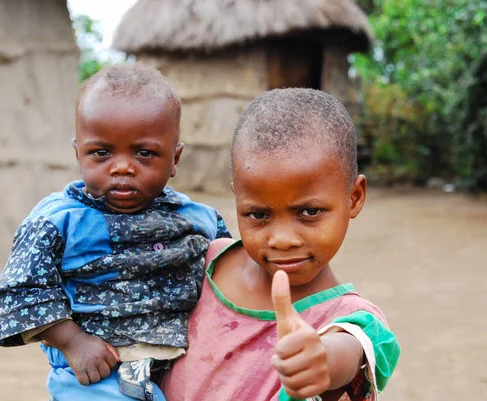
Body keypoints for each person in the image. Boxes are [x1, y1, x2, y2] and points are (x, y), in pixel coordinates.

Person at [0, 64, 231, 401]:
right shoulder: (57, 220)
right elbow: (21, 292)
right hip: (99, 369)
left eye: (144, 153)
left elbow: (231, 280)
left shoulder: (199, 220)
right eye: (101, 152)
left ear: (174, 159)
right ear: (79, 154)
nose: (121, 166)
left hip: (184, 362)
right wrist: (72, 341)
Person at [160, 88, 401, 401]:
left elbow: (355, 349)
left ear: (354, 197)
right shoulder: (207, 261)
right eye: (258, 214)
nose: (282, 240)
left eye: (309, 212)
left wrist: (321, 359)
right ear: (237, 197)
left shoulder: (346, 317)